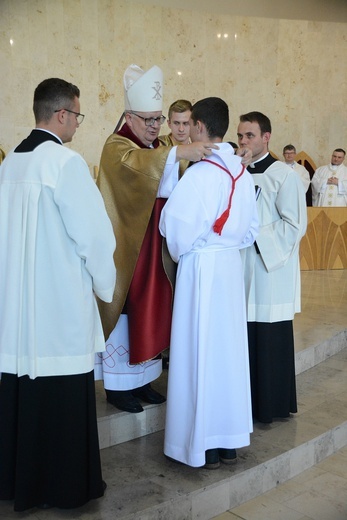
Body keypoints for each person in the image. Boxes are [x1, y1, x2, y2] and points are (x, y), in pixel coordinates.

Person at [0, 78, 116, 511]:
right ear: (62, 114)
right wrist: (106, 286)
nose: (78, 126)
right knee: (62, 396)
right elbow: (95, 237)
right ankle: (64, 487)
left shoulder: (10, 163)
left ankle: (16, 482)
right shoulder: (65, 164)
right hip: (58, 306)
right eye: (78, 116)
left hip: (14, 309)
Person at [94, 64, 218, 414]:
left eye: (157, 119)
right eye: (147, 119)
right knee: (127, 309)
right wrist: (178, 153)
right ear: (128, 116)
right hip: (127, 250)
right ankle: (118, 388)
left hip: (153, 247)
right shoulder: (116, 145)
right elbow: (137, 167)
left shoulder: (153, 146)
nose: (154, 126)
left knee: (152, 307)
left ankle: (143, 380)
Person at [159, 97, 259, 468]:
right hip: (230, 270)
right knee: (226, 355)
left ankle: (198, 445)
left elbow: (174, 231)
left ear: (199, 127)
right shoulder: (242, 175)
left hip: (200, 272)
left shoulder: (200, 175)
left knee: (197, 352)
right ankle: (227, 441)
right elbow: (251, 230)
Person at [237, 111, 307, 424]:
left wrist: (254, 234)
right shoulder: (235, 172)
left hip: (270, 270)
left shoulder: (284, 174)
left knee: (268, 338)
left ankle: (273, 405)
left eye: (249, 135)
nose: (243, 142)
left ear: (266, 137)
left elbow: (295, 225)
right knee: (246, 337)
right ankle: (247, 403)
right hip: (240, 268)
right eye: (240, 136)